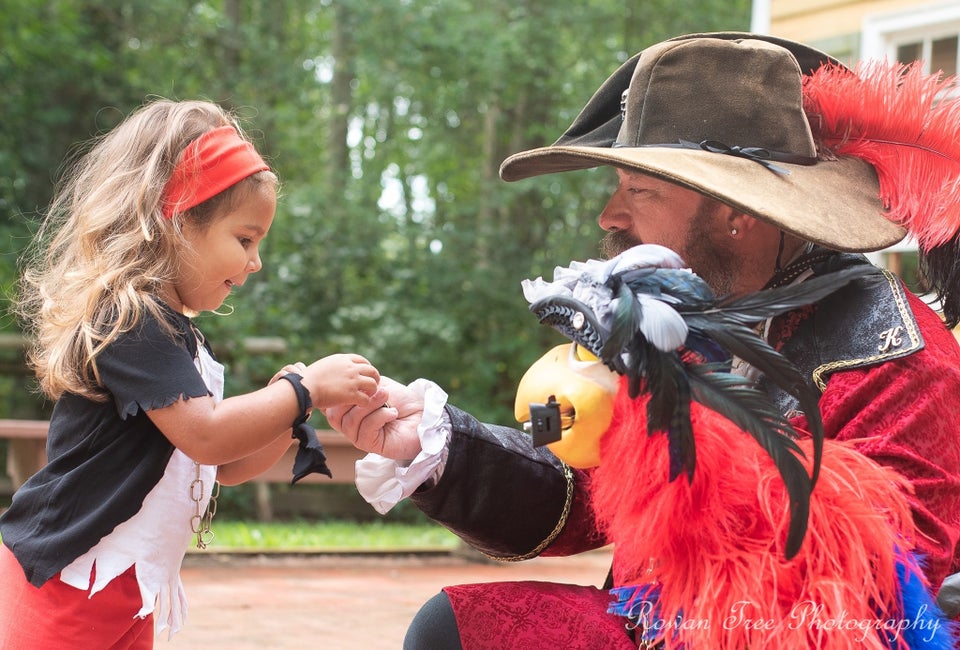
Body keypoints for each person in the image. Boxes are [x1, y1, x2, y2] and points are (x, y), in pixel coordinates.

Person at [325, 32, 960, 648]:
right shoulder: (679, 315)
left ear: (736, 214)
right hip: (651, 627)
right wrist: (439, 448)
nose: (609, 215)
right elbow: (585, 493)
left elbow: (869, 602)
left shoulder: (903, 361)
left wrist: (686, 422)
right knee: (457, 628)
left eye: (640, 190)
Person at [0, 99, 381, 648]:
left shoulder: (177, 334)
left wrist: (294, 411)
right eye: (245, 240)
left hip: (130, 585)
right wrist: (303, 389)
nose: (255, 263)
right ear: (176, 222)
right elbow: (207, 435)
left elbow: (226, 463)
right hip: (68, 581)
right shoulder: (129, 318)